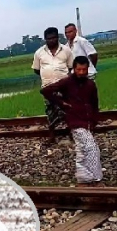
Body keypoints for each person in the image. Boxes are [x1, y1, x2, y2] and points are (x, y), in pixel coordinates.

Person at [40, 56, 103, 187]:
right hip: (75, 120)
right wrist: (62, 103)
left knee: (81, 149)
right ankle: (97, 179)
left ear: (87, 69)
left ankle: (83, 179)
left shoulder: (91, 85)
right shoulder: (67, 82)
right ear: (74, 69)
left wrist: (95, 119)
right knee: (92, 148)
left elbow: (95, 103)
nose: (81, 72)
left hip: (88, 121)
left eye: (84, 70)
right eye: (78, 69)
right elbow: (46, 91)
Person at [32, 27, 75, 144]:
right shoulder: (39, 53)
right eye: (49, 38)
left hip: (64, 87)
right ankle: (52, 136)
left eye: (54, 38)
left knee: (67, 109)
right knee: (50, 111)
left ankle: (71, 134)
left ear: (58, 37)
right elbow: (36, 70)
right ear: (45, 39)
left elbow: (71, 67)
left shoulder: (66, 50)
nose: (51, 40)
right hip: (48, 88)